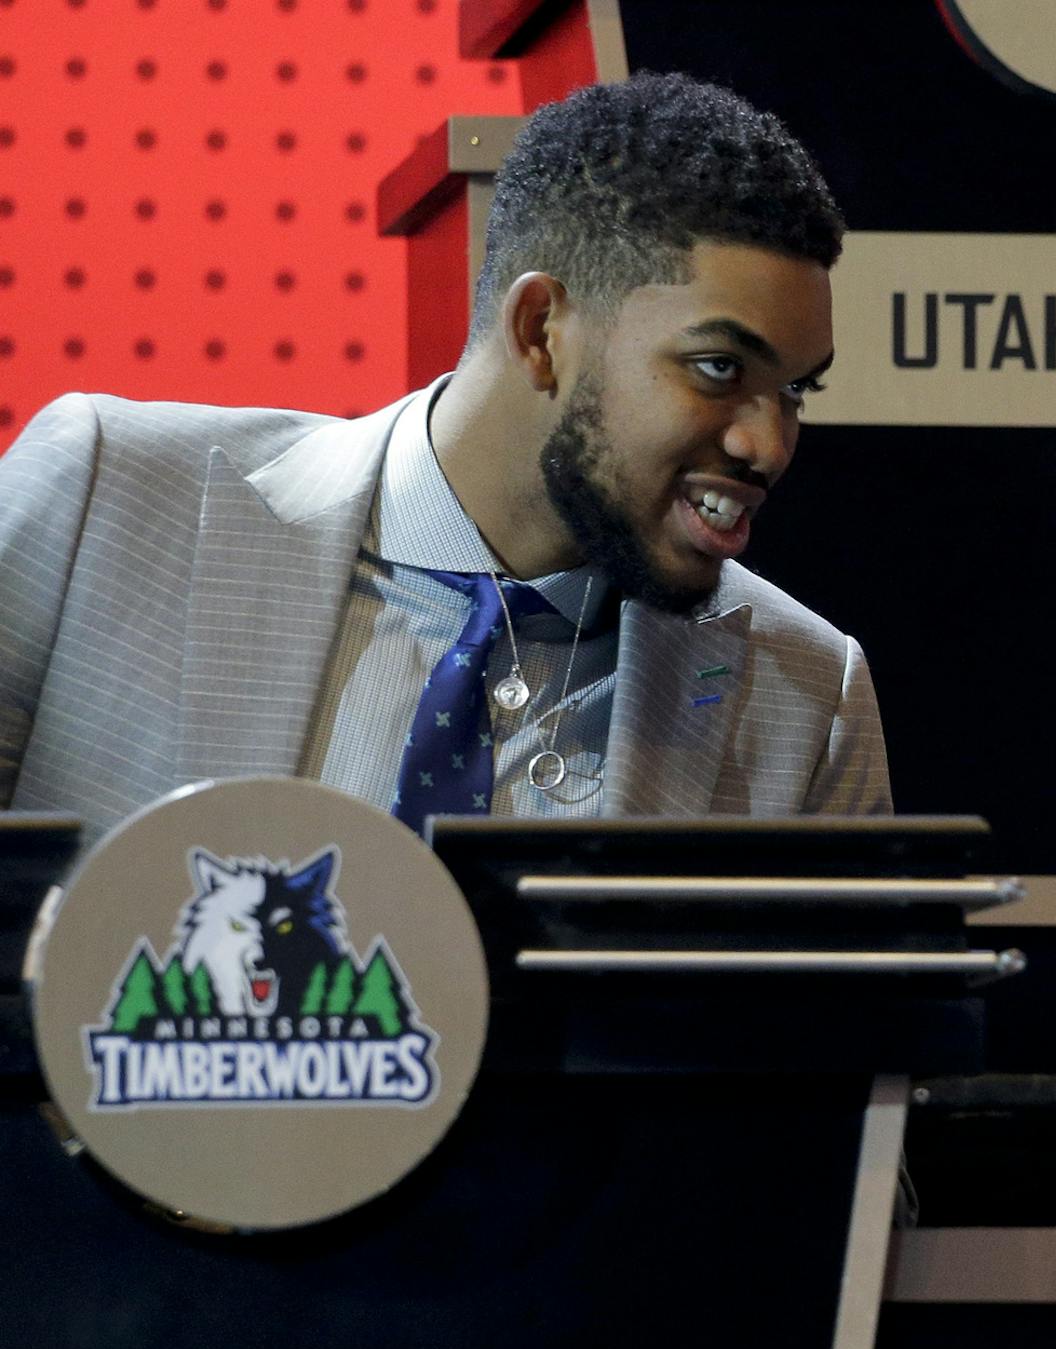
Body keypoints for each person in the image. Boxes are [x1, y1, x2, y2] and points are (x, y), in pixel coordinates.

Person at [0, 74, 888, 842]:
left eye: (795, 391)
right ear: (541, 330)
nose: (767, 444)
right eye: (719, 369)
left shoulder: (808, 693)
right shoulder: (104, 496)